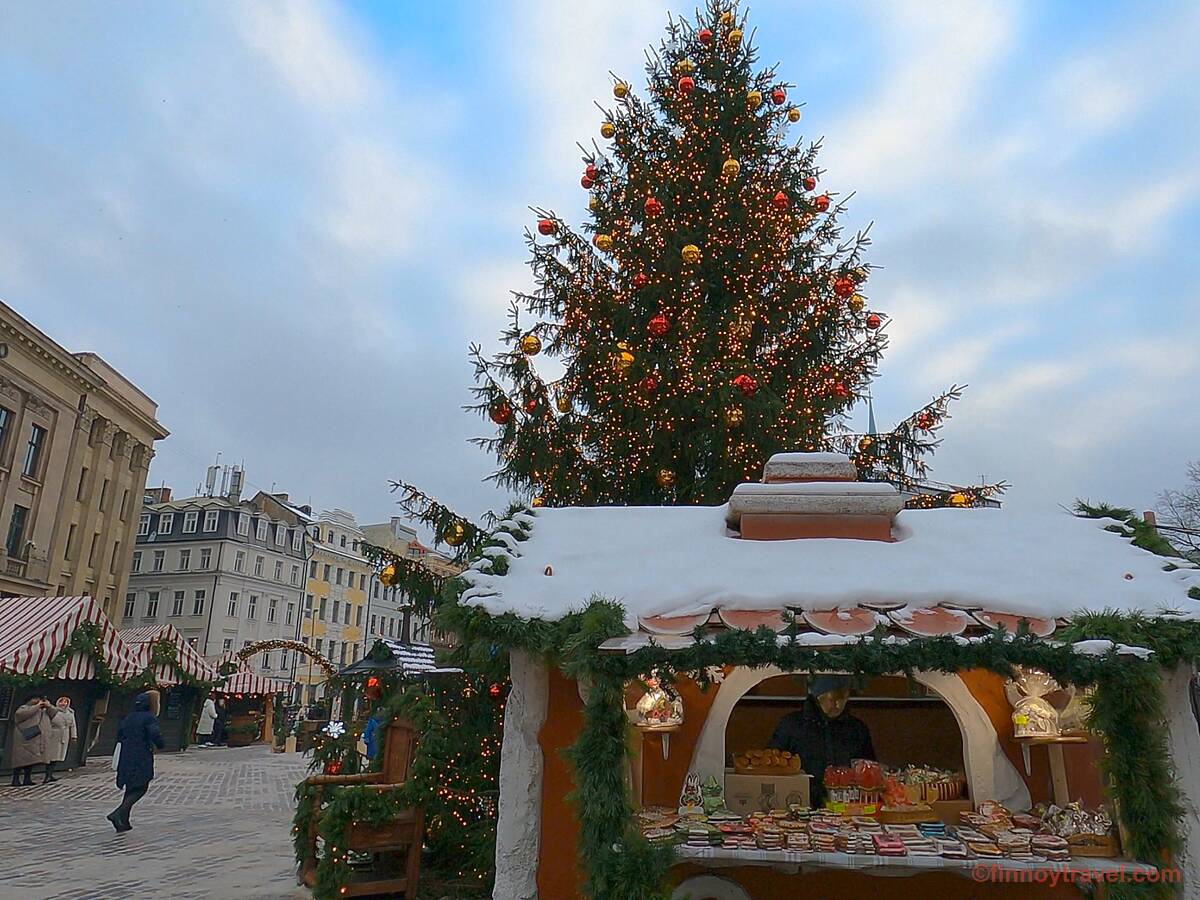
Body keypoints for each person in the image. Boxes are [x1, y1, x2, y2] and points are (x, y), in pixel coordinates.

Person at [767, 675, 876, 806]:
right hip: (800, 808)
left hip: (847, 810)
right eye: (832, 699)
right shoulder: (792, 726)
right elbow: (771, 765)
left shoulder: (857, 729)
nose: (838, 705)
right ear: (818, 696)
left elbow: (870, 769)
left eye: (844, 699)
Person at [107, 692, 164, 833]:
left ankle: (124, 822)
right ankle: (118, 813)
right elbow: (154, 733)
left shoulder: (128, 717)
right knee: (141, 787)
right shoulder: (149, 717)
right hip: (141, 754)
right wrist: (160, 744)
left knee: (131, 787)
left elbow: (120, 734)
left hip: (126, 754)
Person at [11, 695, 60, 787]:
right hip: (24, 737)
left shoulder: (44, 710)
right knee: (20, 759)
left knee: (31, 760)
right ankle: (15, 779)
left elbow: (54, 712)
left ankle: (27, 778)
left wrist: (48, 706)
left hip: (36, 738)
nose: (39, 701)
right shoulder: (24, 708)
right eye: (36, 699)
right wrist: (37, 706)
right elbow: (20, 715)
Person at [46, 696, 78, 782]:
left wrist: (74, 736)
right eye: (61, 702)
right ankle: (47, 774)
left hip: (64, 735)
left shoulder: (70, 713)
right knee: (51, 755)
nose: (63, 704)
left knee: (58, 755)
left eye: (65, 702)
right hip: (54, 734)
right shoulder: (53, 712)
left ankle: (51, 773)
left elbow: (73, 725)